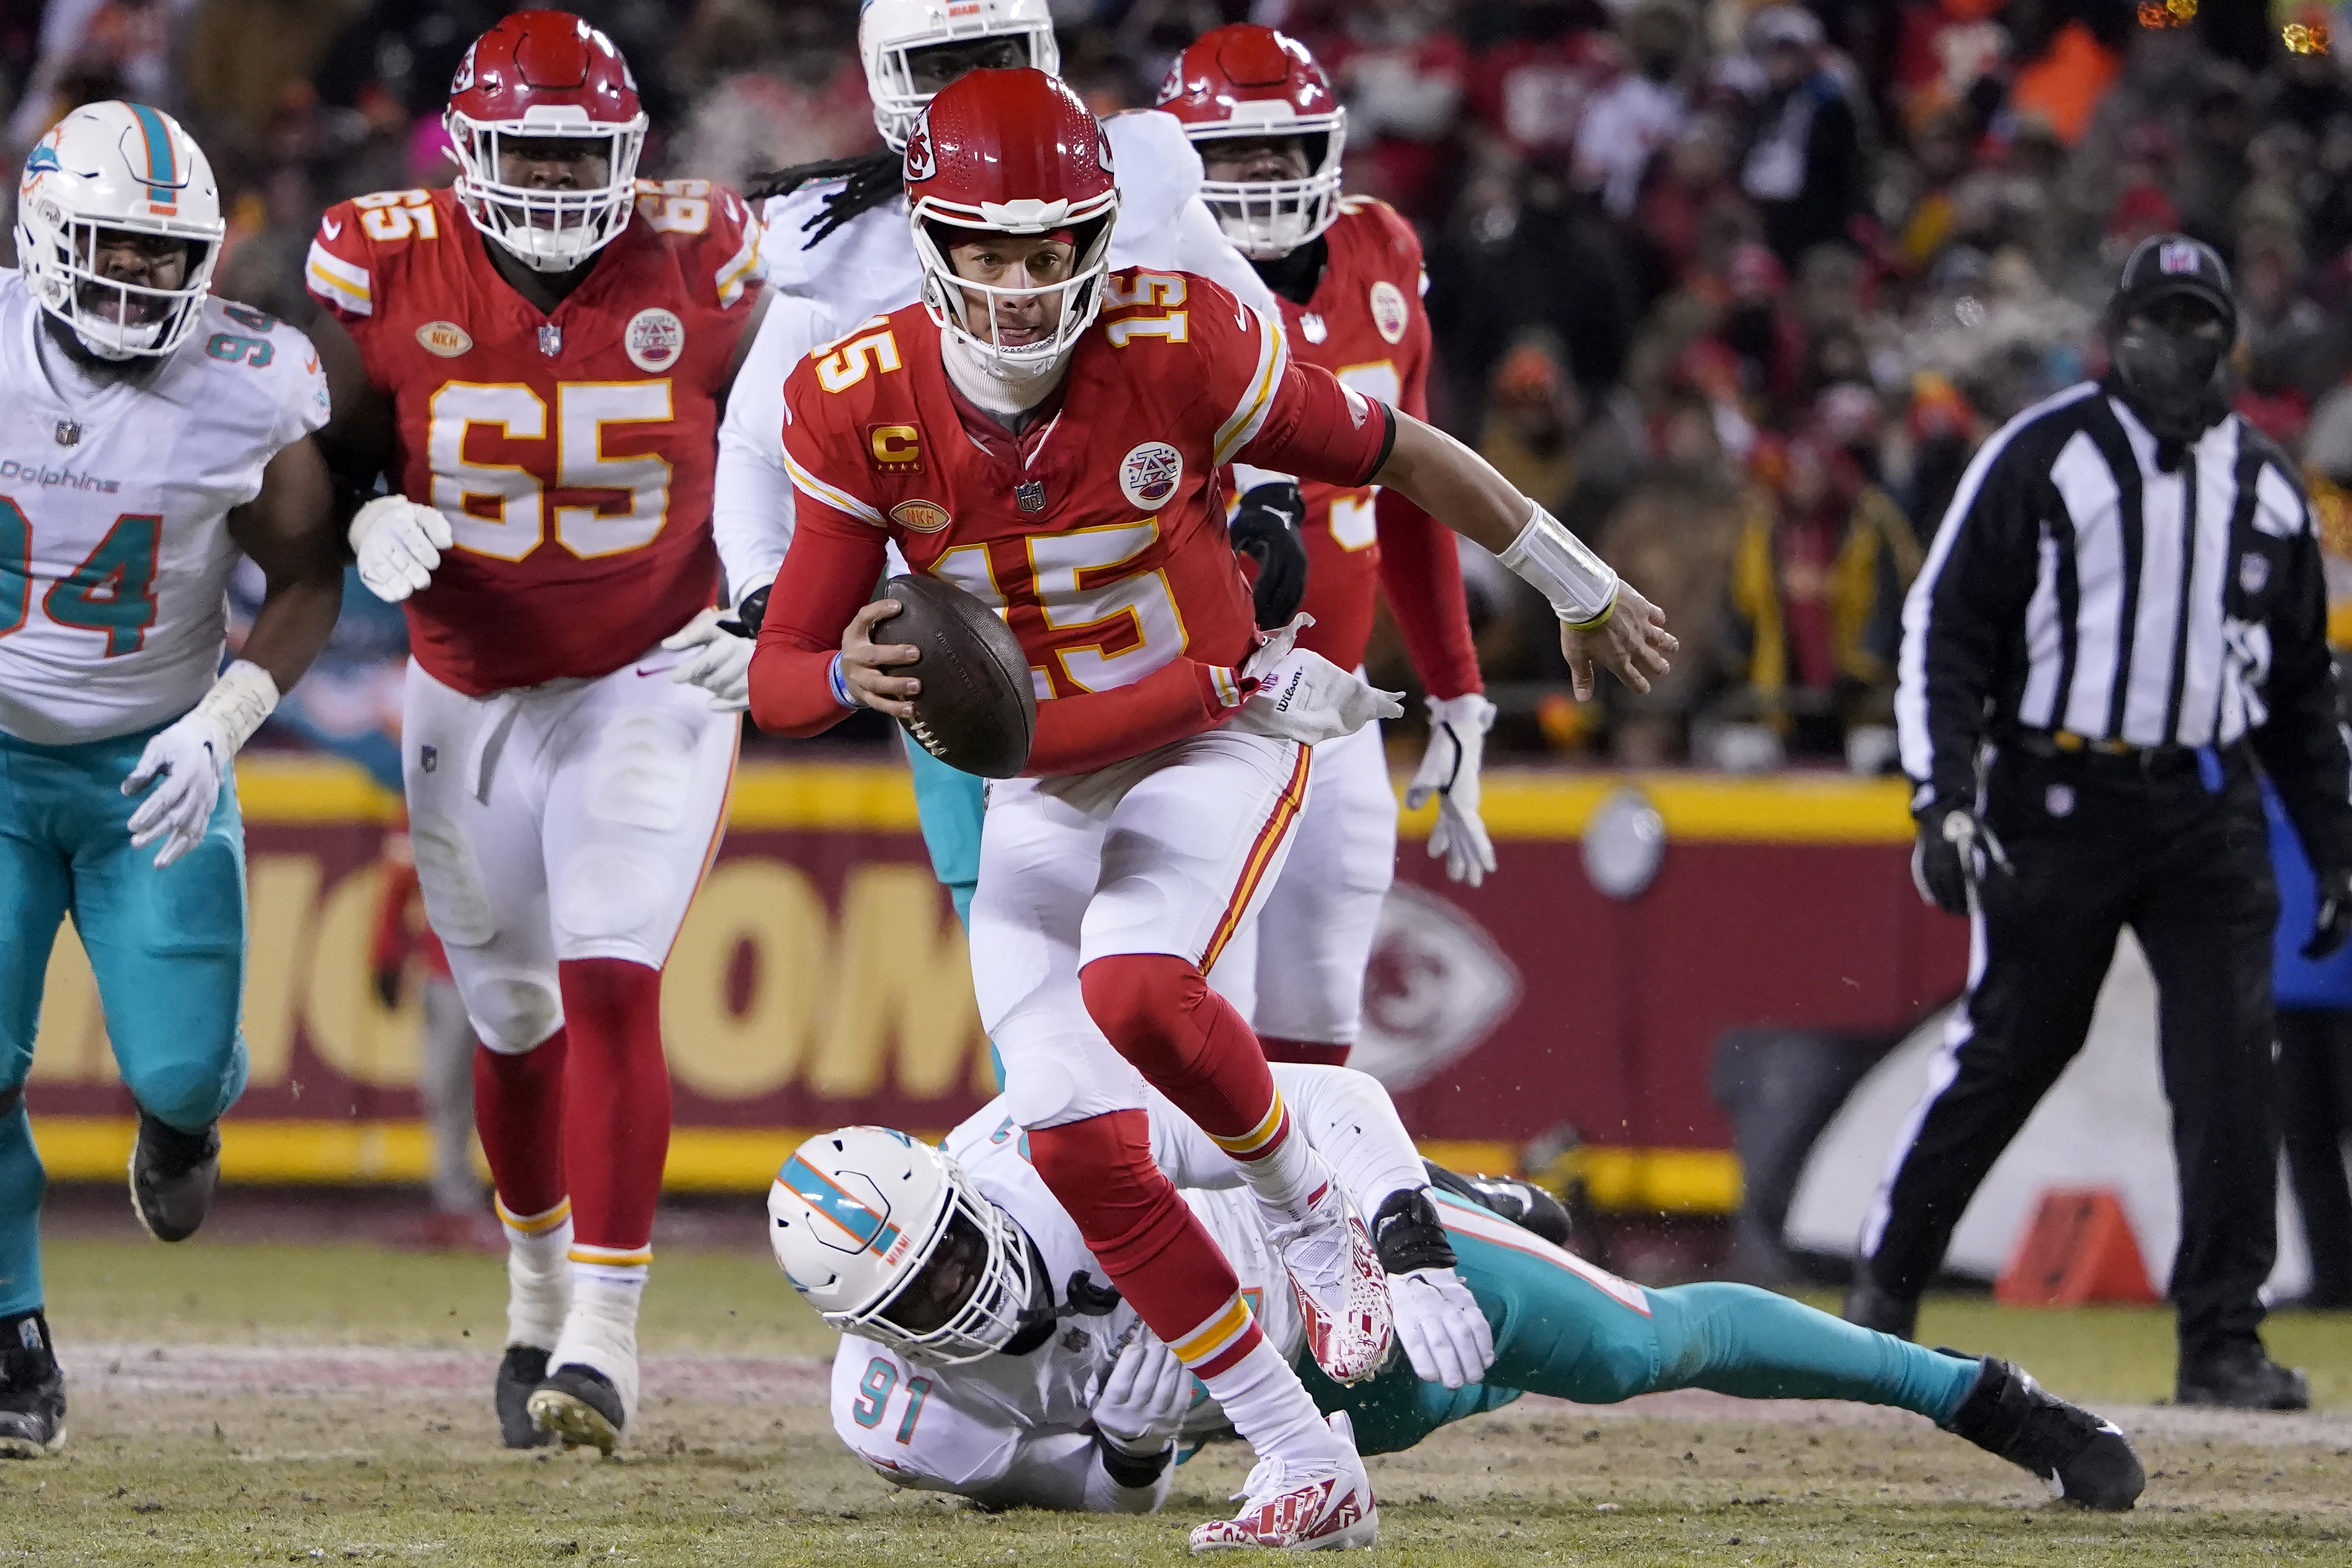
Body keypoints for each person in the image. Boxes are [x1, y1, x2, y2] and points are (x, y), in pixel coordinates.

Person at [745, 68, 1674, 1547]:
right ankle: (1302, 1455)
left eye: (1050, 249)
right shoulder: (855, 397)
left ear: (1096, 238)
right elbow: (780, 673)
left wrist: (1577, 581)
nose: (1020, 285)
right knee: (1073, 1138)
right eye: (987, 250)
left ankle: (1312, 1215)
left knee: (1133, 984)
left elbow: (1395, 448)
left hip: (1220, 730)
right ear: (931, 241)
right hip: (1045, 770)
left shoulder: (1179, 339)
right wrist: (849, 673)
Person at [301, 9, 769, 1455]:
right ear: (466, 152)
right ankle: (533, 1292)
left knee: (613, 975)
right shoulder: (380, 257)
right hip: (469, 682)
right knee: (511, 1023)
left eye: (582, 156)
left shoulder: (707, 254)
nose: (559, 183)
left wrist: (765, 599)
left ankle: (603, 1340)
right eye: (529, 153)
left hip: (652, 670)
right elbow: (321, 450)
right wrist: (364, 510)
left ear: (632, 151)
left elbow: (787, 434)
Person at [770, 1065, 2146, 1519]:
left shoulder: (1052, 1135)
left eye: (952, 1248)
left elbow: (1327, 1100)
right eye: (918, 1296)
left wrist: (1402, 1236)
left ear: (959, 1186)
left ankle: (1976, 1395)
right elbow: (1084, 1497)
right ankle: (1487, 1205)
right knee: (1452, 1398)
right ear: (864, 1330)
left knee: (1628, 1351)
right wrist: (1132, 1451)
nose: (959, 1290)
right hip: (1284, 1413)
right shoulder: (898, 1413)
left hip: (1323, 1273)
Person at [1859, 236, 2352, 1410]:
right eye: (2153, 324)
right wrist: (1943, 797)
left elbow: (2298, 690)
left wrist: (2333, 844)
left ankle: (2222, 1339)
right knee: (2011, 1052)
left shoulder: (2265, 486)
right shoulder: (2041, 456)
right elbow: (1945, 629)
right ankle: (1885, 1292)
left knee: (2229, 1071)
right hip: (2056, 797)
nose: (2174, 350)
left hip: (2205, 801)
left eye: (2195, 326)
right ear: (2113, 338)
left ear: (2226, 342)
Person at [694, 0, 1303, 933]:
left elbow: (1262, 355)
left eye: (995, 55)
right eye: (942, 65)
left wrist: (1269, 498)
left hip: (1145, 602)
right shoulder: (846, 245)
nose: (973, 85)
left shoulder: (1124, 184)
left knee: (1186, 911)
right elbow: (750, 441)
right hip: (961, 628)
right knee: (1012, 923)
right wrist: (770, 595)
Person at [0, 101, 346, 1457]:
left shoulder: (247, 379)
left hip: (153, 766)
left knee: (184, 1069)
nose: (144, 279)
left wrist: (225, 720)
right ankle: (13, 1329)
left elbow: (307, 573)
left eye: (167, 255)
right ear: (44, 234)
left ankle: (186, 1124)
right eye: (116, 248)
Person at [1159, 24, 1491, 1069]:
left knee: (1316, 1038)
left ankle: (1303, 1192)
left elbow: (1413, 488)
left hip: (1335, 710)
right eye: (1232, 152)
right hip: (1189, 708)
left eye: (1280, 148)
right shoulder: (1145, 278)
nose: (1261, 173)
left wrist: (1457, 692)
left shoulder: (1382, 249)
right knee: (1196, 1038)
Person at [369, 821, 493, 1250]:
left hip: (508, 969)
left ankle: (534, 1208)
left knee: (514, 1090)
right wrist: (387, 956)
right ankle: (458, 1206)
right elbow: (400, 881)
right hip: (447, 973)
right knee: (445, 1091)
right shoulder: (422, 798)